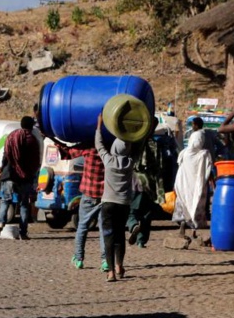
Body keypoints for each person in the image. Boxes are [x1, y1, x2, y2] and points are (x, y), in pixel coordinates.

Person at [51, 138, 107, 271]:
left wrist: (58, 144)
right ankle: (106, 261)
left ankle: (79, 258)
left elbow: (68, 153)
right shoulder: (110, 147)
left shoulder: (89, 146)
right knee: (104, 229)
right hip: (105, 195)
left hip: (89, 193)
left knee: (82, 226)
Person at [95, 113, 135, 282]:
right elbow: (140, 145)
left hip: (108, 203)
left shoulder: (109, 160)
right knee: (120, 236)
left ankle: (111, 272)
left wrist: (99, 125)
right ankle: (119, 266)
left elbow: (99, 145)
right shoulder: (131, 162)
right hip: (124, 204)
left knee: (109, 237)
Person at [0, 116, 40, 240]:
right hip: (25, 177)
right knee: (24, 205)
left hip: (9, 175)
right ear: (31, 126)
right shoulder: (32, 140)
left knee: (5, 201)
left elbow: (6, 155)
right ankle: (23, 233)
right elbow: (35, 160)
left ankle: (1, 222)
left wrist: (2, 168)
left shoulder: (12, 137)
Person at [127, 117, 162, 248]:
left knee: (132, 211)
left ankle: (133, 226)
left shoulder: (136, 142)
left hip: (135, 181)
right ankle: (141, 241)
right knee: (146, 213)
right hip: (151, 184)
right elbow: (160, 166)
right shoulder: (155, 144)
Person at [173, 130, 213, 240]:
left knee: (184, 205)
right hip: (197, 187)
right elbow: (209, 171)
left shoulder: (184, 153)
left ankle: (183, 225)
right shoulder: (204, 154)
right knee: (195, 207)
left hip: (183, 185)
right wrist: (213, 182)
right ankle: (193, 231)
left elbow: (180, 169)